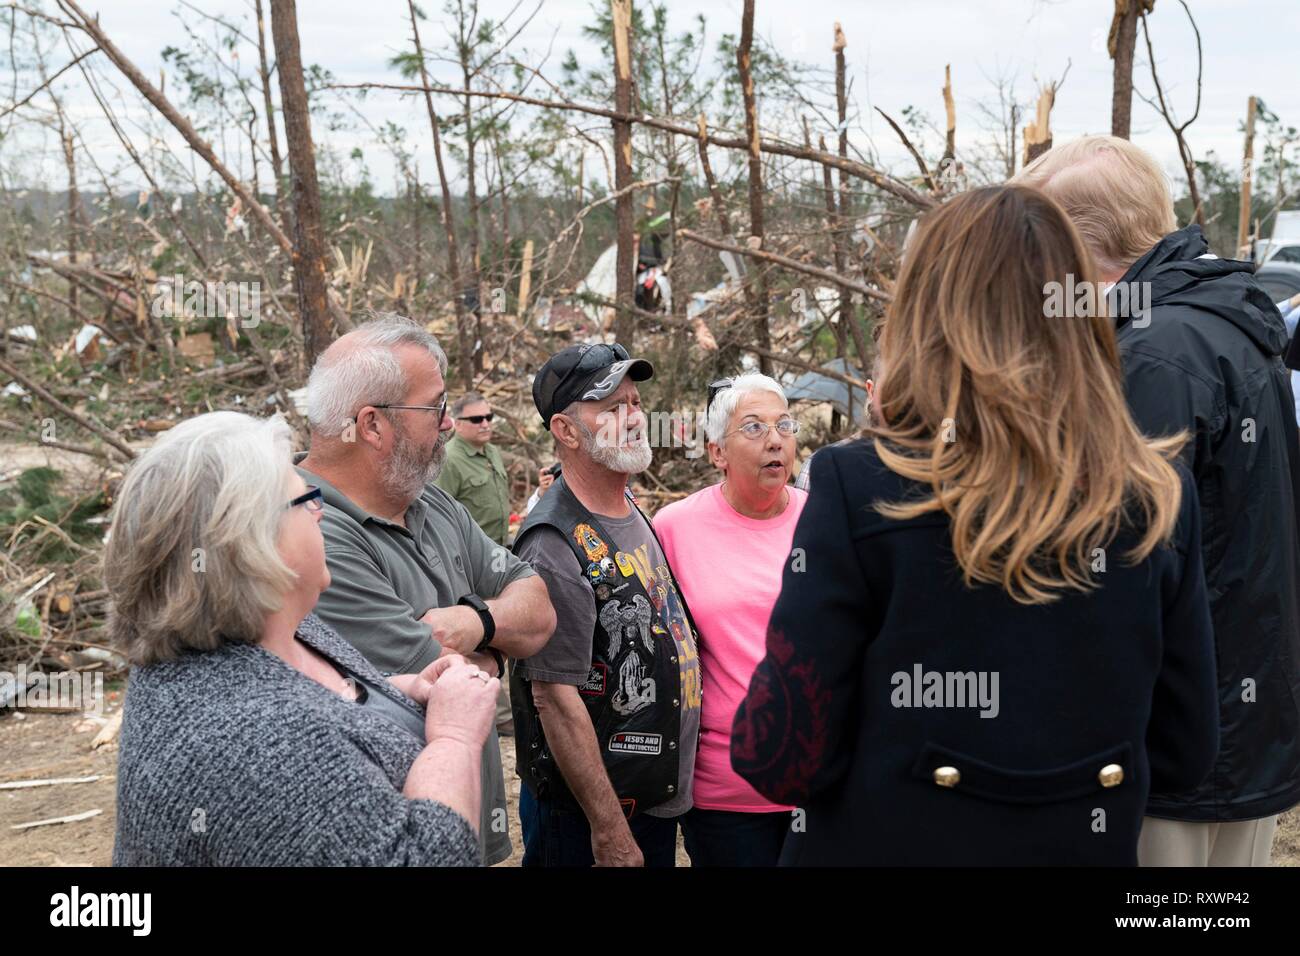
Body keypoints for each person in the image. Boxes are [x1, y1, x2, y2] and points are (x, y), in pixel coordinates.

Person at [731, 185, 1218, 866]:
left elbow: (783, 758)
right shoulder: (1157, 496)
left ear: (923, 314)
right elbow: (1184, 752)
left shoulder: (861, 484)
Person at [1016, 136, 1300, 866]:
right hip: (1239, 723)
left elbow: (1118, 560)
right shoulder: (1230, 329)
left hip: (1169, 744)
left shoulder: (1152, 354)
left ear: (1079, 246)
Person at [107, 411, 501, 866]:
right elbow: (427, 860)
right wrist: (455, 737)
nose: (320, 511)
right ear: (252, 541)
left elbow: (314, 697)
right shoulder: (262, 745)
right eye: (306, 499)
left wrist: (394, 691)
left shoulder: (273, 632)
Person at [295, 314, 556, 865]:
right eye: (435, 406)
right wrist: (492, 645)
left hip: (454, 828)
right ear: (372, 425)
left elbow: (539, 605)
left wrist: (477, 627)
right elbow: (445, 685)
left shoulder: (430, 502)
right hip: (393, 844)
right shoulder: (305, 533)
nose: (446, 424)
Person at [510, 343, 701, 867]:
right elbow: (554, 698)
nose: (634, 418)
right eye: (612, 408)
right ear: (566, 432)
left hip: (648, 798)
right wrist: (609, 829)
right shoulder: (553, 541)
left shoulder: (628, 506)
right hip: (589, 819)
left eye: (635, 402)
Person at [653, 372, 807, 866]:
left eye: (784, 425)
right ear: (717, 451)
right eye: (755, 428)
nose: (776, 440)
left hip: (823, 783)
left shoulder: (825, 519)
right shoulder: (673, 529)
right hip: (727, 791)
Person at [435, 390, 516, 734]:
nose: (485, 424)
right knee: (474, 633)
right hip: (465, 562)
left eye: (488, 418)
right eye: (476, 419)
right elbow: (437, 510)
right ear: (457, 423)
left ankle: (499, 703)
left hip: (495, 555)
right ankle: (496, 715)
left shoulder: (492, 453)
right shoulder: (450, 459)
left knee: (497, 631)